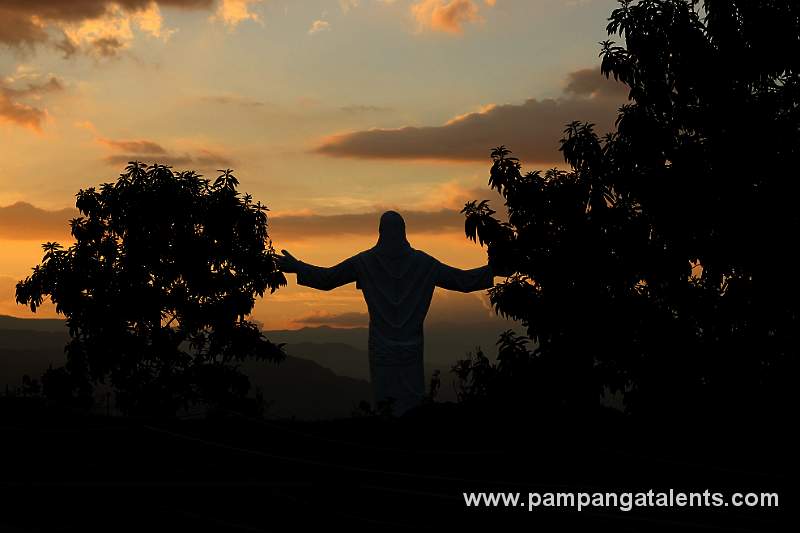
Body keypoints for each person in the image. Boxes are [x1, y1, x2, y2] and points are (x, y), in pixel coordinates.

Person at [276, 210, 496, 415]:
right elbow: (462, 280)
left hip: (382, 349)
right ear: (404, 232)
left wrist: (298, 267)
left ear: (380, 232)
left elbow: (328, 279)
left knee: (385, 404)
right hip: (411, 349)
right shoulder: (424, 263)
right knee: (411, 405)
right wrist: (493, 270)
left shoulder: (365, 262)